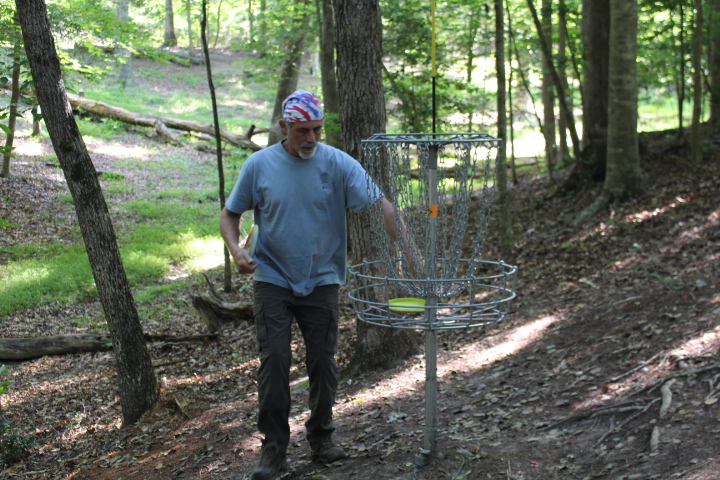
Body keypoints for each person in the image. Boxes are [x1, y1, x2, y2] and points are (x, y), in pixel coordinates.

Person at [220, 90, 404, 480]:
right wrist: (237, 250)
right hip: (271, 278)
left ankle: (321, 438)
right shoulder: (259, 165)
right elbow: (230, 214)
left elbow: (378, 203)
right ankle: (273, 451)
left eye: (317, 130)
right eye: (302, 130)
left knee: (323, 362)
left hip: (321, 280)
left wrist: (407, 249)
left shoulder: (337, 163)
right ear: (284, 127)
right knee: (275, 361)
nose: (311, 139)